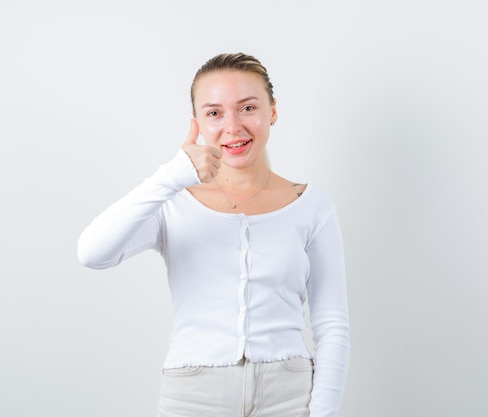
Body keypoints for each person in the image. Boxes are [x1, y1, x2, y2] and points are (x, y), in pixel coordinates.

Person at [76, 53, 350, 417]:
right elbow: (93, 253)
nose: (233, 126)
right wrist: (171, 175)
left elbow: (332, 323)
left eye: (248, 107)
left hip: (289, 394)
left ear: (272, 111)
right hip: (192, 394)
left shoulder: (312, 206)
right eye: (214, 113)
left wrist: (324, 412)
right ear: (198, 124)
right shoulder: (173, 203)